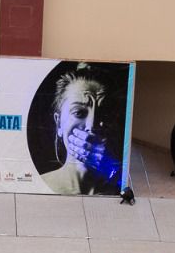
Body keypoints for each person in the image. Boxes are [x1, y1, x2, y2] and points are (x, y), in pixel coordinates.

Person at [39, 64, 122, 196]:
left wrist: (110, 167)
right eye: (78, 113)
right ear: (59, 123)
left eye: (104, 113)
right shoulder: (40, 185)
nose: (91, 125)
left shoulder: (120, 185)